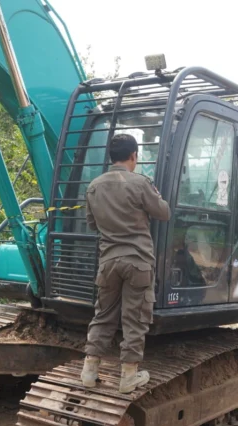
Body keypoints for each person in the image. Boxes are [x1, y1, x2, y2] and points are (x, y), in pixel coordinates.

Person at [80, 134, 171, 394]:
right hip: (138, 262)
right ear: (134, 156)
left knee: (103, 315)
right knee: (134, 319)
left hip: (108, 262)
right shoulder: (140, 183)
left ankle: (89, 371)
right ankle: (129, 376)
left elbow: (92, 224)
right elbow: (164, 213)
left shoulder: (94, 186)